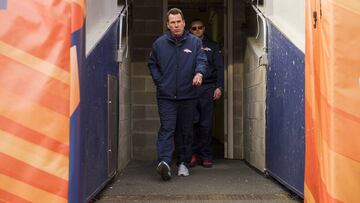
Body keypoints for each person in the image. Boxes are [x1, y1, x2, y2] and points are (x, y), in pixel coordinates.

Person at [148, 8, 207, 181]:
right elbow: (152, 64)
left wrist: (199, 74)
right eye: (172, 22)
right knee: (167, 129)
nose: (176, 25)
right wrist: (160, 82)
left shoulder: (195, 42)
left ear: (183, 22)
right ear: (168, 25)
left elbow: (201, 61)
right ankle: (164, 162)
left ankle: (184, 163)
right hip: (166, 96)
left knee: (186, 131)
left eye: (178, 21)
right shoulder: (159, 44)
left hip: (188, 95)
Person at [189, 19, 224, 168]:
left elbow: (220, 68)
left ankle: (206, 156)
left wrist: (219, 87)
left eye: (200, 28)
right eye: (194, 28)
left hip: (208, 88)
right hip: (190, 89)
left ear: (204, 29)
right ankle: (191, 155)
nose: (197, 30)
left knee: (206, 124)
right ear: (190, 30)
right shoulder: (186, 45)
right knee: (191, 123)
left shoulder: (213, 46)